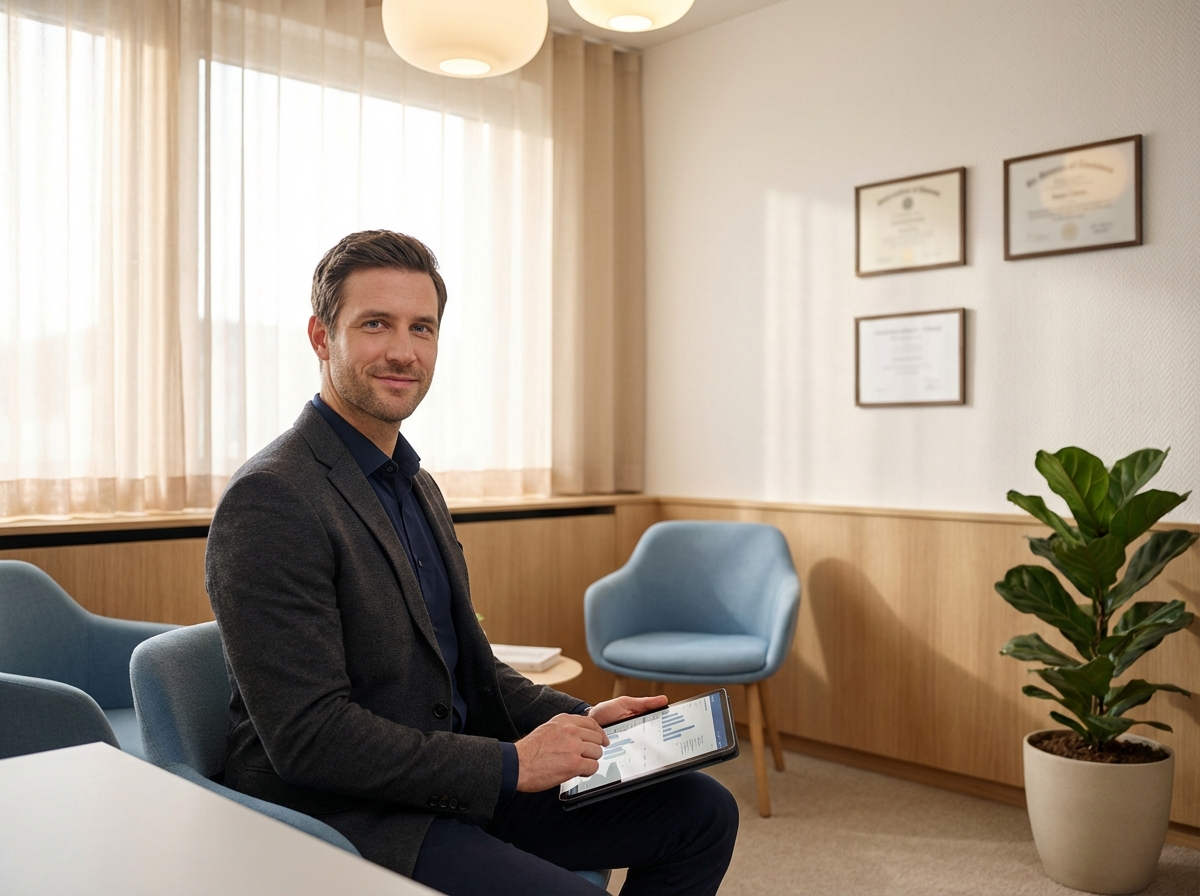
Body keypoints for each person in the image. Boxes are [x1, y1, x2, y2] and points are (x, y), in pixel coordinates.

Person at [205, 230, 738, 894]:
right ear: (321, 337)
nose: (404, 351)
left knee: (702, 813)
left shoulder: (413, 482)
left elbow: (467, 667)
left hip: (454, 779)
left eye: (421, 328)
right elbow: (310, 737)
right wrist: (511, 765)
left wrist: (573, 719)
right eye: (376, 324)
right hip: (352, 812)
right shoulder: (273, 498)